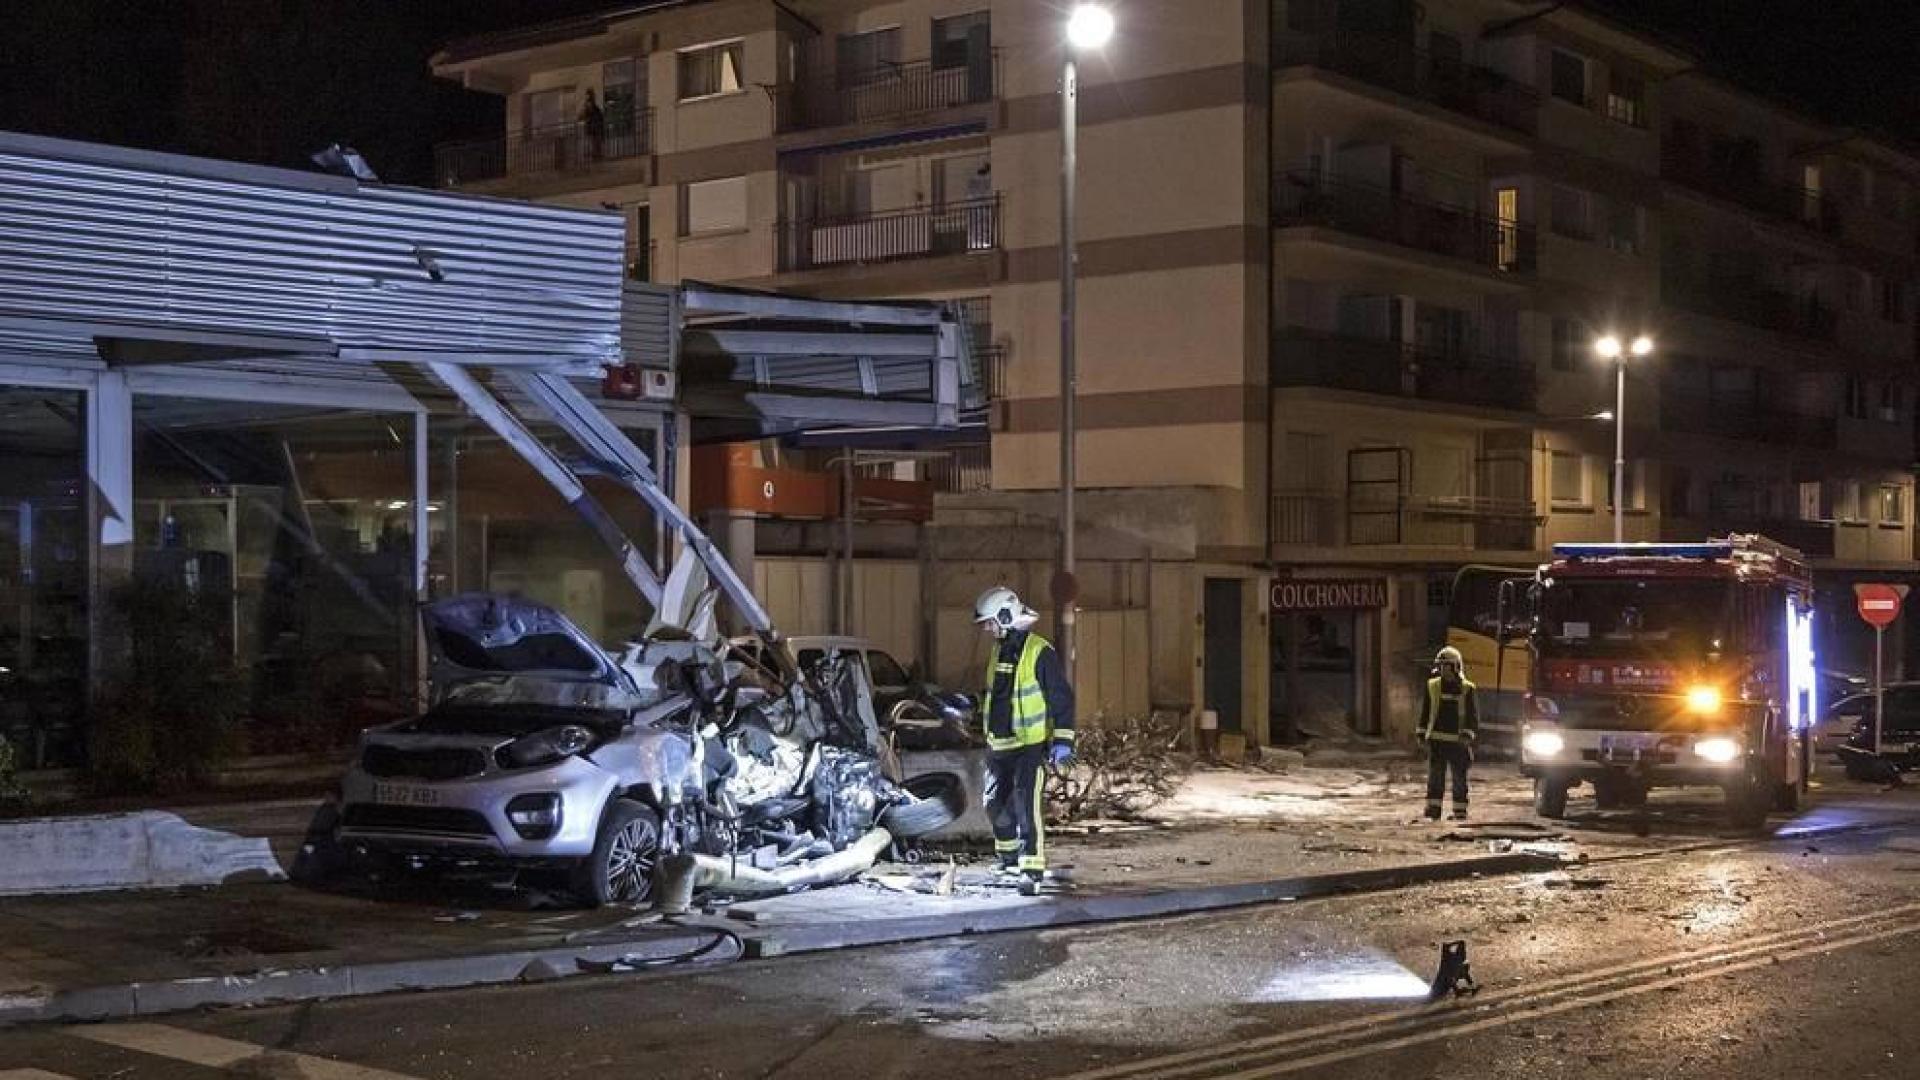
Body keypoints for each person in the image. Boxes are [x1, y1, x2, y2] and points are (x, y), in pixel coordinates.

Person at [974, 586, 1075, 881]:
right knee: (993, 803)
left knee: (1025, 802)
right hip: (999, 744)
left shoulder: (1039, 651)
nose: (988, 628)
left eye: (990, 622)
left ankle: (1031, 867)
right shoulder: (999, 649)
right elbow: (999, 695)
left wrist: (1063, 739)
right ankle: (1008, 857)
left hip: (1028, 745)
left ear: (1006, 616)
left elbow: (1061, 698)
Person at [1418, 645, 1479, 821]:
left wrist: (1468, 735)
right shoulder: (1433, 686)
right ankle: (1433, 809)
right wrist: (1421, 734)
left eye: (1446, 666)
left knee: (1459, 778)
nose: (1443, 670)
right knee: (1435, 776)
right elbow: (1426, 711)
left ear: (1456, 667)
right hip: (1437, 740)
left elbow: (1472, 715)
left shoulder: (1467, 688)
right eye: (1441, 665)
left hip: (1458, 742)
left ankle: (1460, 810)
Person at [579, 89, 606, 160]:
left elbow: (585, 114)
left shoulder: (590, 105)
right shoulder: (591, 105)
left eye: (587, 95)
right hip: (594, 127)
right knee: (595, 142)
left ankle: (596, 155)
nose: (586, 96)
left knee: (595, 142)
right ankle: (596, 155)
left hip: (593, 127)